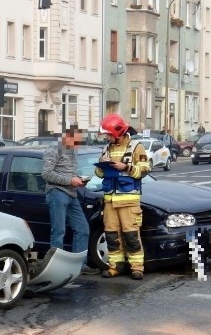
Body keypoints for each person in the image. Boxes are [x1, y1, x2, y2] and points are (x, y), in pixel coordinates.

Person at [94, 113, 150, 280]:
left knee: (131, 236)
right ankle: (115, 266)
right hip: (110, 201)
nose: (107, 137)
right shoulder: (106, 148)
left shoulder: (136, 147)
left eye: (109, 134)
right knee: (112, 236)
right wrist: (101, 169)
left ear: (117, 132)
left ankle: (137, 267)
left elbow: (145, 169)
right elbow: (98, 172)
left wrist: (125, 167)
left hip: (128, 202)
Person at [41, 128, 91, 265]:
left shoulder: (72, 150)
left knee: (83, 229)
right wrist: (70, 181)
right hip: (56, 193)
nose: (78, 144)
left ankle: (79, 266)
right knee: (58, 231)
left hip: (71, 194)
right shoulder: (54, 149)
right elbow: (46, 174)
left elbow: (67, 172)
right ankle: (56, 266)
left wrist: (78, 180)